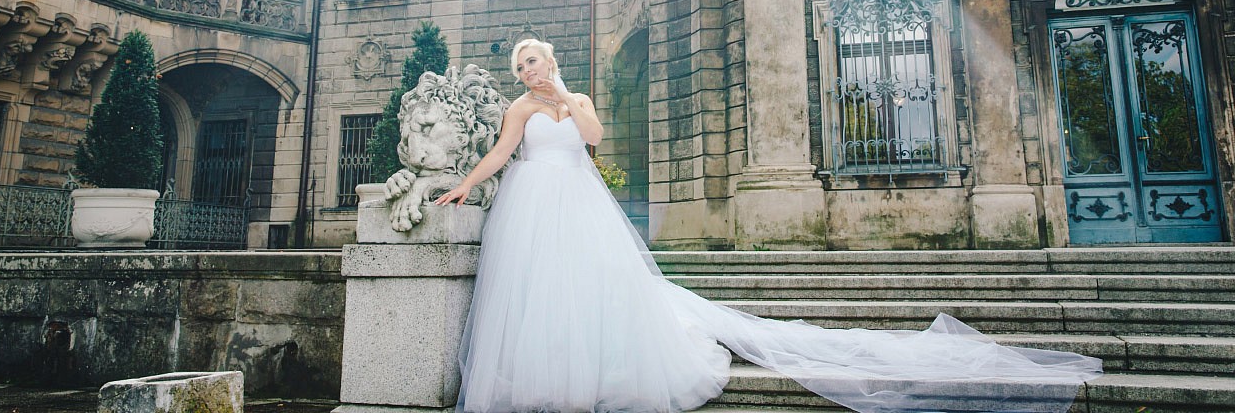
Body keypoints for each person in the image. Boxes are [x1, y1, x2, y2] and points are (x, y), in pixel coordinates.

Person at [435, 39, 1102, 413]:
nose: (528, 70)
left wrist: (566, 100)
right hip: (534, 203)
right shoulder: (518, 110)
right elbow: (501, 153)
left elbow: (595, 137)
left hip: (579, 204)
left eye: (534, 61)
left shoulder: (572, 99)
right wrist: (468, 183)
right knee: (541, 292)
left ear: (551, 61)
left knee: (595, 286)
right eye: (521, 65)